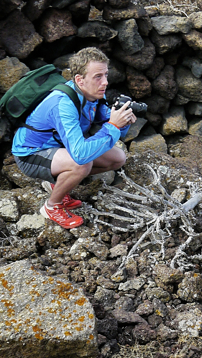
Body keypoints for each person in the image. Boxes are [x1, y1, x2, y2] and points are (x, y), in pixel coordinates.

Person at [12, 47, 136, 229]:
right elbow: (80, 155)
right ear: (79, 80)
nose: (105, 82)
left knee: (118, 158)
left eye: (106, 75)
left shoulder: (93, 94)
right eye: (98, 76)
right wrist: (113, 126)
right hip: (30, 154)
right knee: (82, 164)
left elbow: (107, 122)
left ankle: (57, 183)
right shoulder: (63, 104)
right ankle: (52, 207)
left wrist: (122, 122)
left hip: (59, 148)